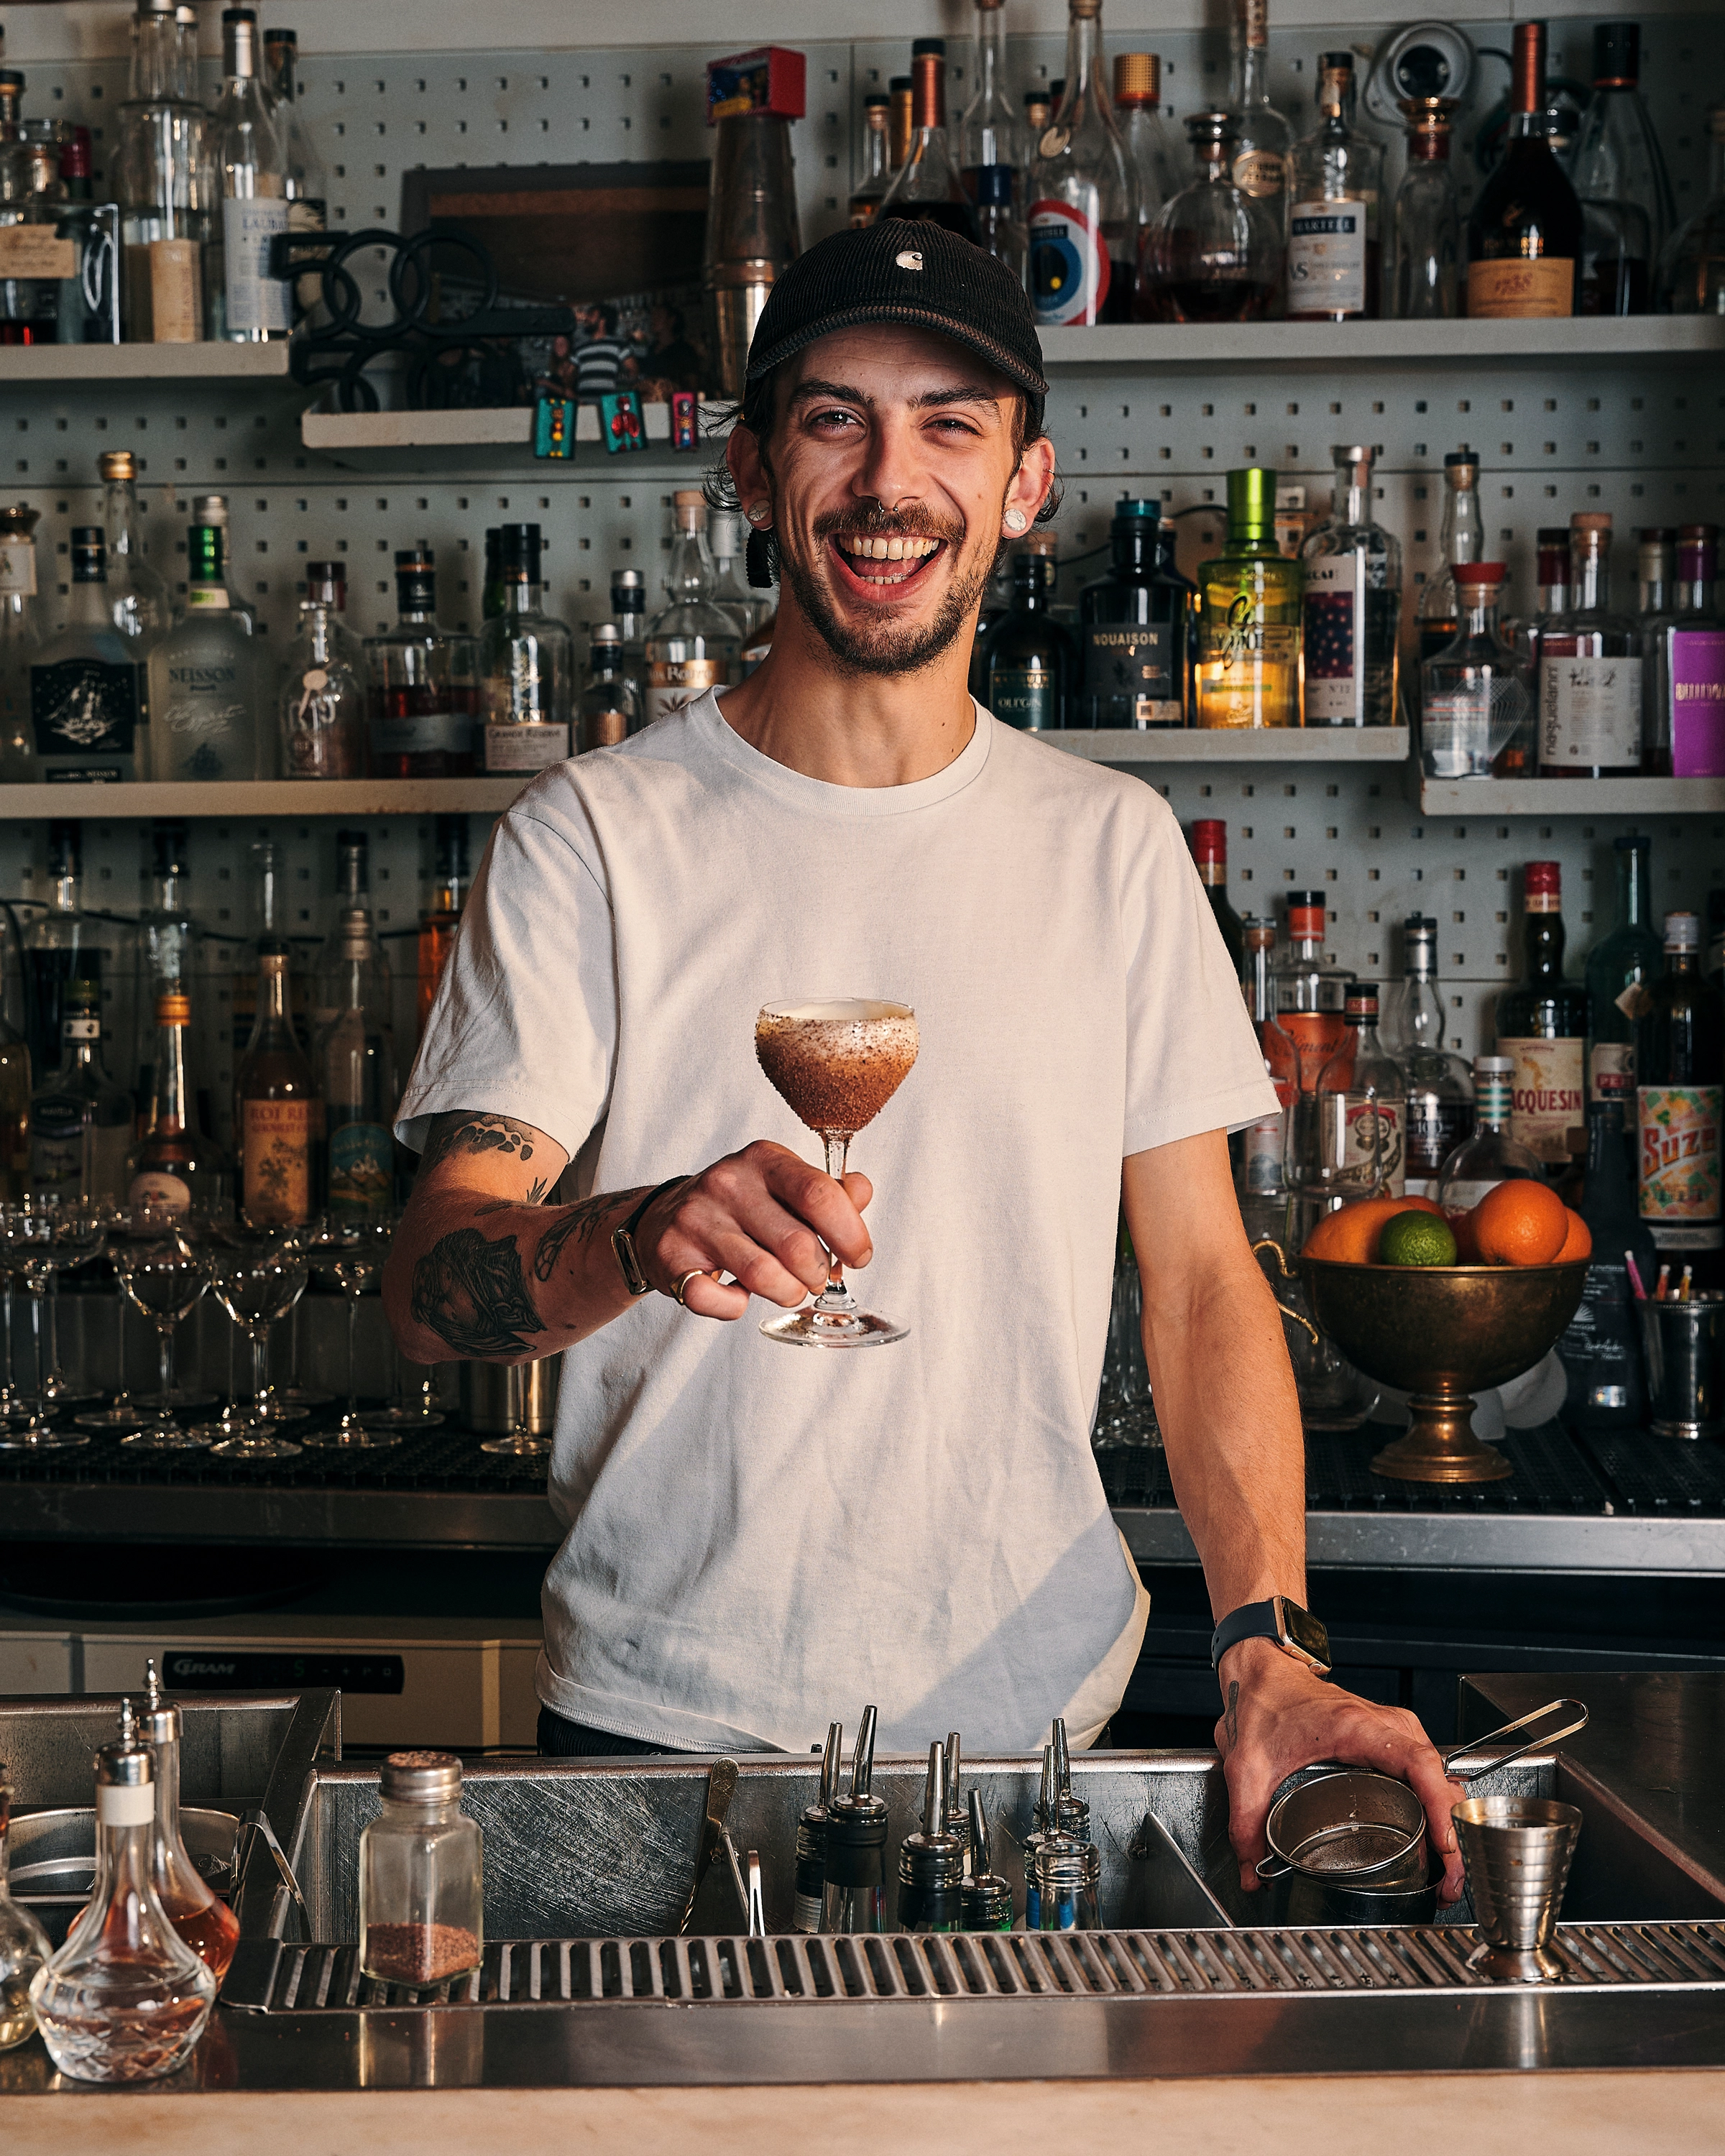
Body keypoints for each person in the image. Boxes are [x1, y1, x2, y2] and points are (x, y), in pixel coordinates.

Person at [384, 218, 1466, 1903]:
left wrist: (1267, 1643)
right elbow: (432, 1274)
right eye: (835, 420)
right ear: (754, 470)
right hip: (664, 1740)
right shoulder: (593, 838)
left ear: (1028, 484)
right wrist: (637, 1231)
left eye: (951, 423)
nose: (892, 480)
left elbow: (1197, 1288)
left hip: (1036, 1735)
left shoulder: (1111, 849)